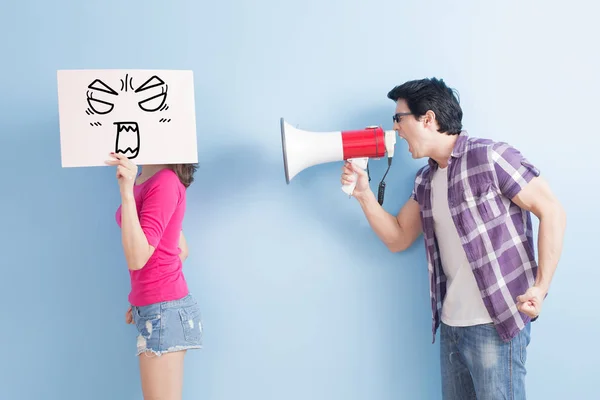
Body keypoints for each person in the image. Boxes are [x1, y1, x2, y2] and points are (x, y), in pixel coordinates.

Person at [340, 78, 566, 399]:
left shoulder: (491, 157)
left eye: (399, 119)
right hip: (451, 329)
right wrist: (363, 193)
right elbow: (399, 238)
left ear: (428, 119)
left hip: (496, 324)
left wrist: (540, 287)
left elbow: (552, 211)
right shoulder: (425, 180)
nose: (395, 130)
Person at [106, 152, 202, 400]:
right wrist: (144, 293)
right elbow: (180, 248)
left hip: (164, 312)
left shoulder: (165, 181)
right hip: (155, 307)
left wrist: (126, 192)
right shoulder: (145, 177)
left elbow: (138, 257)